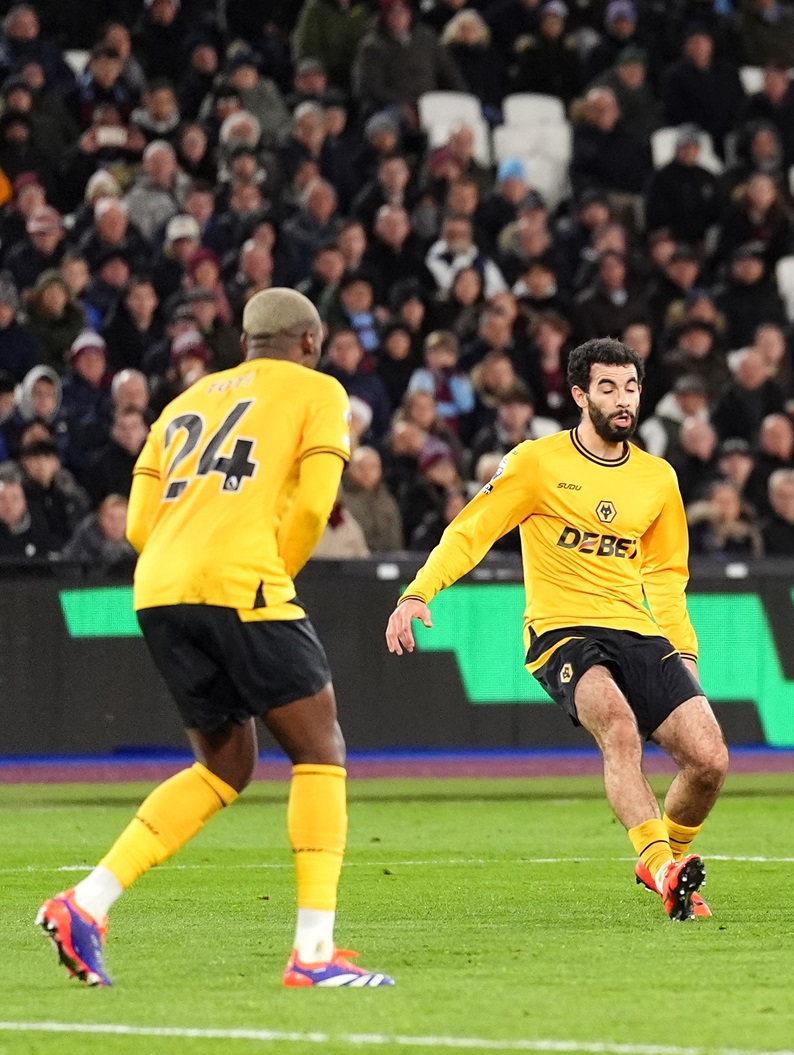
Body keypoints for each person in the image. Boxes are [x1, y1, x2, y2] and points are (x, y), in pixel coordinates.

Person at [36, 288, 392, 990]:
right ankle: (313, 954)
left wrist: (190, 560)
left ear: (246, 342)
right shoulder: (318, 391)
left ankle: (86, 903)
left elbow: (139, 523)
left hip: (159, 588)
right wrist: (270, 572)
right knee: (320, 751)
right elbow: (316, 503)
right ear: (310, 342)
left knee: (225, 765)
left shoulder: (182, 403)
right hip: (242, 579)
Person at [386, 339, 728, 923]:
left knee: (709, 760)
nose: (623, 400)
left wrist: (684, 651)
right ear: (579, 395)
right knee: (619, 727)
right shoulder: (535, 462)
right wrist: (417, 592)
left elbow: (667, 576)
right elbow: (471, 531)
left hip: (637, 630)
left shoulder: (658, 478)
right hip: (562, 631)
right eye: (608, 388)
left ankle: (667, 866)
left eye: (631, 387)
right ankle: (662, 869)